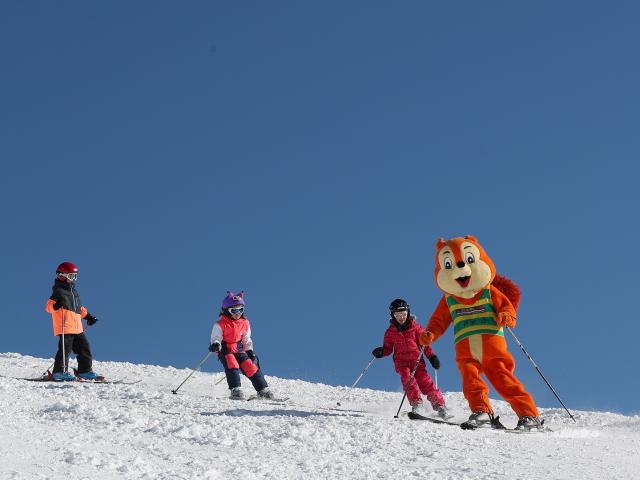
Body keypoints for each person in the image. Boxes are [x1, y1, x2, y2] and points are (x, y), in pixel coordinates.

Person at [372, 298, 448, 418]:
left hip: (417, 362)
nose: (401, 317)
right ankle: (417, 403)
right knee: (408, 381)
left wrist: (432, 357)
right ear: (393, 315)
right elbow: (388, 348)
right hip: (401, 363)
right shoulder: (390, 332)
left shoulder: (416, 328)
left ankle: (440, 406)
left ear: (408, 313)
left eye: (403, 314)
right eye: (398, 314)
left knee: (426, 382)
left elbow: (425, 345)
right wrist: (381, 352)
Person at [209, 291, 273, 400]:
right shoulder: (220, 324)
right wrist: (216, 344)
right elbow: (216, 337)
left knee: (250, 366)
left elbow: (246, 338)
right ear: (226, 311)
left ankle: (263, 390)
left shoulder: (245, 322)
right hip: (225, 349)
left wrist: (249, 351)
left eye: (240, 310)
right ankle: (236, 390)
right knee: (232, 364)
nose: (237, 313)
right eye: (234, 310)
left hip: (239, 349)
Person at [44, 262, 100, 381]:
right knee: (65, 350)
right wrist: (55, 305)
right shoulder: (58, 291)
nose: (73, 279)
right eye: (71, 276)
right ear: (61, 276)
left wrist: (88, 316)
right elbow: (48, 307)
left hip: (77, 327)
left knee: (84, 348)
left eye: (75, 276)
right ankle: (59, 372)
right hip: (65, 326)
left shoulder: (74, 292)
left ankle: (84, 371)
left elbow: (78, 308)